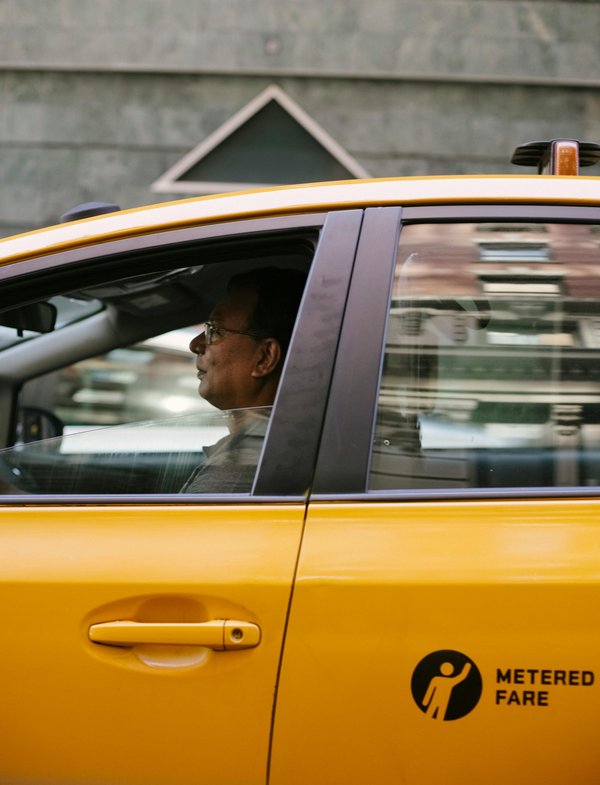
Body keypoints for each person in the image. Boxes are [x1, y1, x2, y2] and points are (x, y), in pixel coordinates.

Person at [180, 266, 307, 493]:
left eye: (215, 330)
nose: (195, 345)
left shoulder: (241, 471)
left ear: (265, 358)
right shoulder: (276, 448)